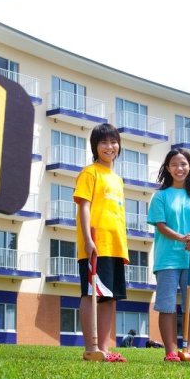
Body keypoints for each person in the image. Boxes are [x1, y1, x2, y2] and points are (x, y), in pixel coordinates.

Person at [148, 148, 190, 362]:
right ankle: (171, 351)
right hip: (167, 258)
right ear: (168, 168)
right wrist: (181, 238)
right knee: (167, 304)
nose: (180, 168)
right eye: (175, 164)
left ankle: (187, 349)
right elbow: (160, 225)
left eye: (184, 164)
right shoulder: (160, 196)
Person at [74, 123, 129, 362]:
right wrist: (87, 239)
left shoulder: (117, 179)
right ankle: (91, 348)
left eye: (113, 141)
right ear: (95, 147)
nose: (110, 146)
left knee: (110, 297)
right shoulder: (90, 172)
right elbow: (84, 207)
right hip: (96, 243)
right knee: (91, 294)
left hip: (115, 246)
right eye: (104, 142)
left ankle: (104, 350)